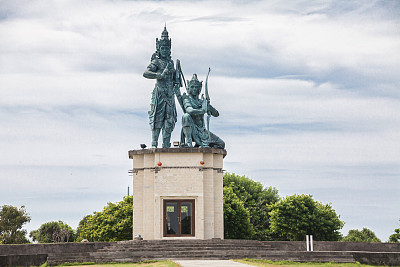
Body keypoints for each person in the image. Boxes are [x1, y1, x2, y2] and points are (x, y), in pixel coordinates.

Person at [143, 26, 178, 148]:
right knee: (157, 119)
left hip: (170, 94)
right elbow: (146, 73)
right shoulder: (156, 62)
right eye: (162, 48)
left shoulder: (171, 63)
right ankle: (154, 143)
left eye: (167, 48)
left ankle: (166, 144)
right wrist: (159, 75)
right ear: (158, 49)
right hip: (160, 94)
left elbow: (174, 78)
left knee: (169, 120)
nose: (165, 50)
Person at [180, 74, 225, 149]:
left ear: (199, 89)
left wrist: (208, 106)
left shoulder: (202, 102)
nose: (194, 89)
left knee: (221, 144)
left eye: (196, 87)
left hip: (202, 131)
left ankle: (200, 146)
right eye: (192, 87)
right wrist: (202, 110)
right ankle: (189, 143)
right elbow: (189, 111)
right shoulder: (186, 99)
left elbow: (216, 114)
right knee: (186, 116)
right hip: (191, 129)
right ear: (189, 88)